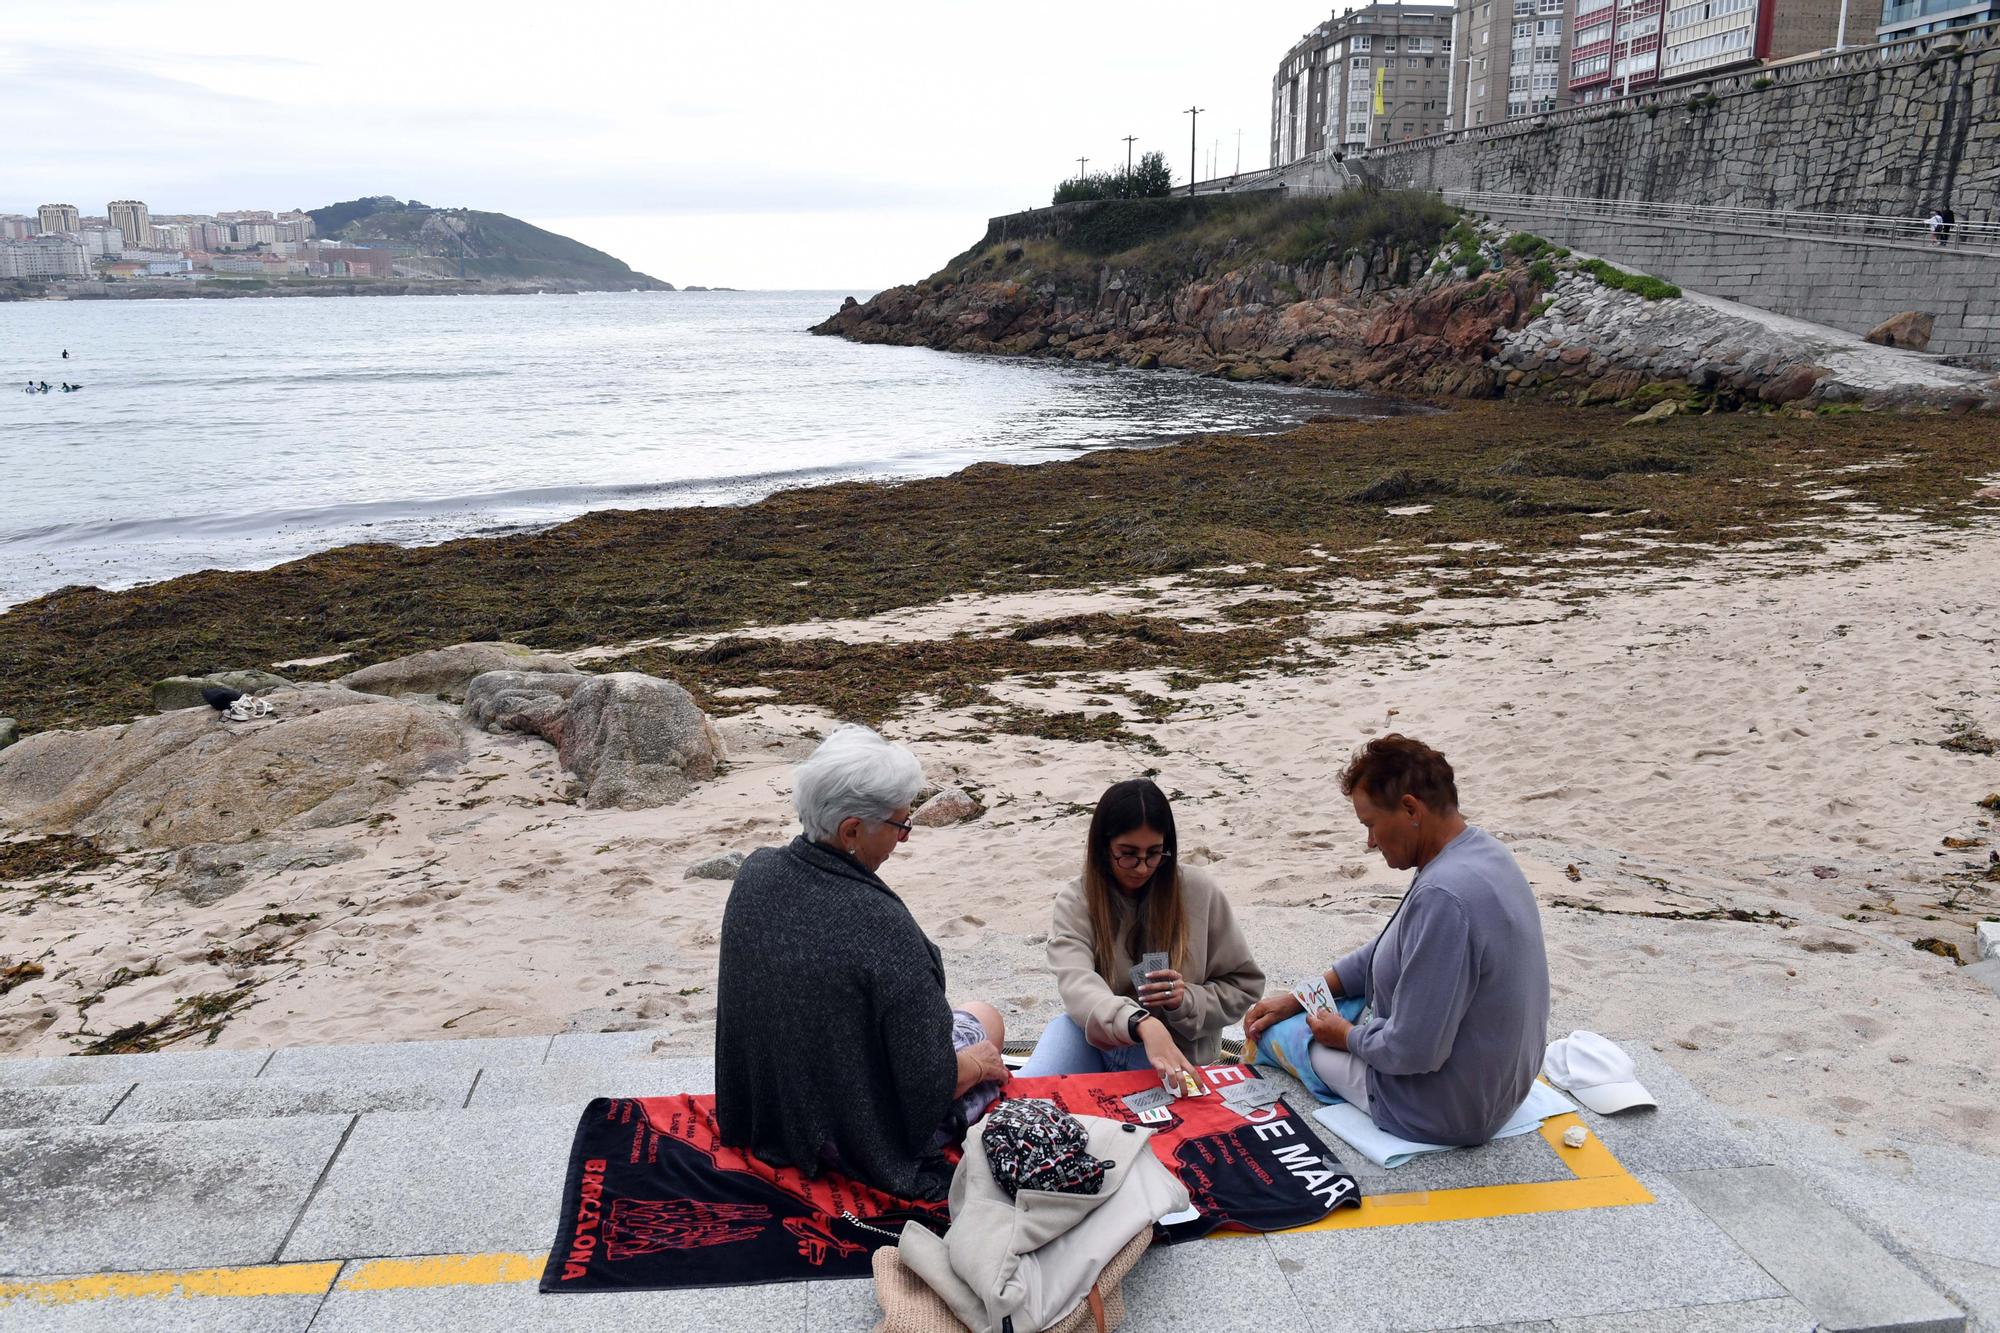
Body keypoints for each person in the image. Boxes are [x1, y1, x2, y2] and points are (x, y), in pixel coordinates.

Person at [715, 725, 1008, 1200]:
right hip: (855, 1135)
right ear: (852, 830)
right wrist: (976, 1066)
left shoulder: (757, 872)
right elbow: (925, 1088)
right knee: (987, 1020)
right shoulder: (883, 927)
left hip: (775, 1111)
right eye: (900, 826)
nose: (905, 839)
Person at [1245, 734, 1549, 1146]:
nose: (1370, 842)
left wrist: (1346, 1037)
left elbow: (1414, 1051)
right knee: (1330, 1005)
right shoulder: (1482, 851)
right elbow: (1390, 949)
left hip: (1443, 1109)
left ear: (1410, 809)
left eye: (1371, 825)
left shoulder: (1443, 895)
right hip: (1498, 1085)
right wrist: (1302, 996)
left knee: (1282, 1036)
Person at [1020, 778, 1264, 1086]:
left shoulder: (1199, 891)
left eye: (1154, 854)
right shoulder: (1077, 899)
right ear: (1103, 847)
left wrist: (1185, 1000)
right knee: (1026, 1097)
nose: (1141, 868)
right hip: (1095, 1040)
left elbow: (1244, 985)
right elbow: (1076, 982)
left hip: (1176, 1049)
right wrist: (1139, 1022)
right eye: (1128, 854)